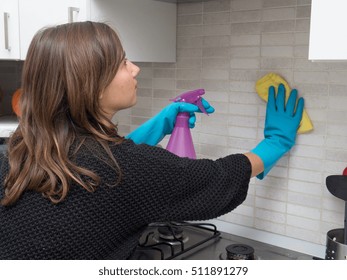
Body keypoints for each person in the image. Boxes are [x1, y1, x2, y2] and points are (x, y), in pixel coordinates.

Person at [0, 21, 304, 259]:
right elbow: (218, 178)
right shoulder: (130, 170)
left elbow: (97, 167)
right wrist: (276, 142)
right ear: (90, 84)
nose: (135, 69)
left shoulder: (15, 152)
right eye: (122, 62)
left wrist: (160, 124)